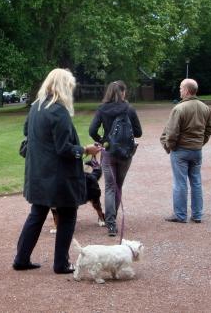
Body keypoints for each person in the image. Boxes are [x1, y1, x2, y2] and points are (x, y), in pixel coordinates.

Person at [13, 68, 102, 274]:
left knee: (37, 213)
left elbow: (27, 131)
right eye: (70, 86)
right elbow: (64, 149)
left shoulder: (36, 106)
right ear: (64, 86)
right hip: (59, 175)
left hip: (38, 171)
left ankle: (21, 258)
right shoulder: (58, 111)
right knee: (68, 214)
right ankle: (61, 263)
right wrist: (85, 150)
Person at [89, 81, 142, 236]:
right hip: (125, 153)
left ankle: (110, 223)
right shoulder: (129, 109)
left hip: (108, 151)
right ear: (123, 93)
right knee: (118, 186)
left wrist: (102, 140)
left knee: (110, 187)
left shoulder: (102, 109)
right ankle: (114, 218)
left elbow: (92, 130)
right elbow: (138, 133)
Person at [160, 78, 211, 223]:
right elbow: (209, 129)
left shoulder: (179, 108)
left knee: (180, 183)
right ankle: (197, 215)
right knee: (196, 182)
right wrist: (201, 142)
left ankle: (180, 215)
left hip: (181, 151)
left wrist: (170, 147)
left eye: (181, 88)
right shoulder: (205, 107)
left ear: (187, 91)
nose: (179, 90)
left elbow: (172, 133)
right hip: (197, 150)